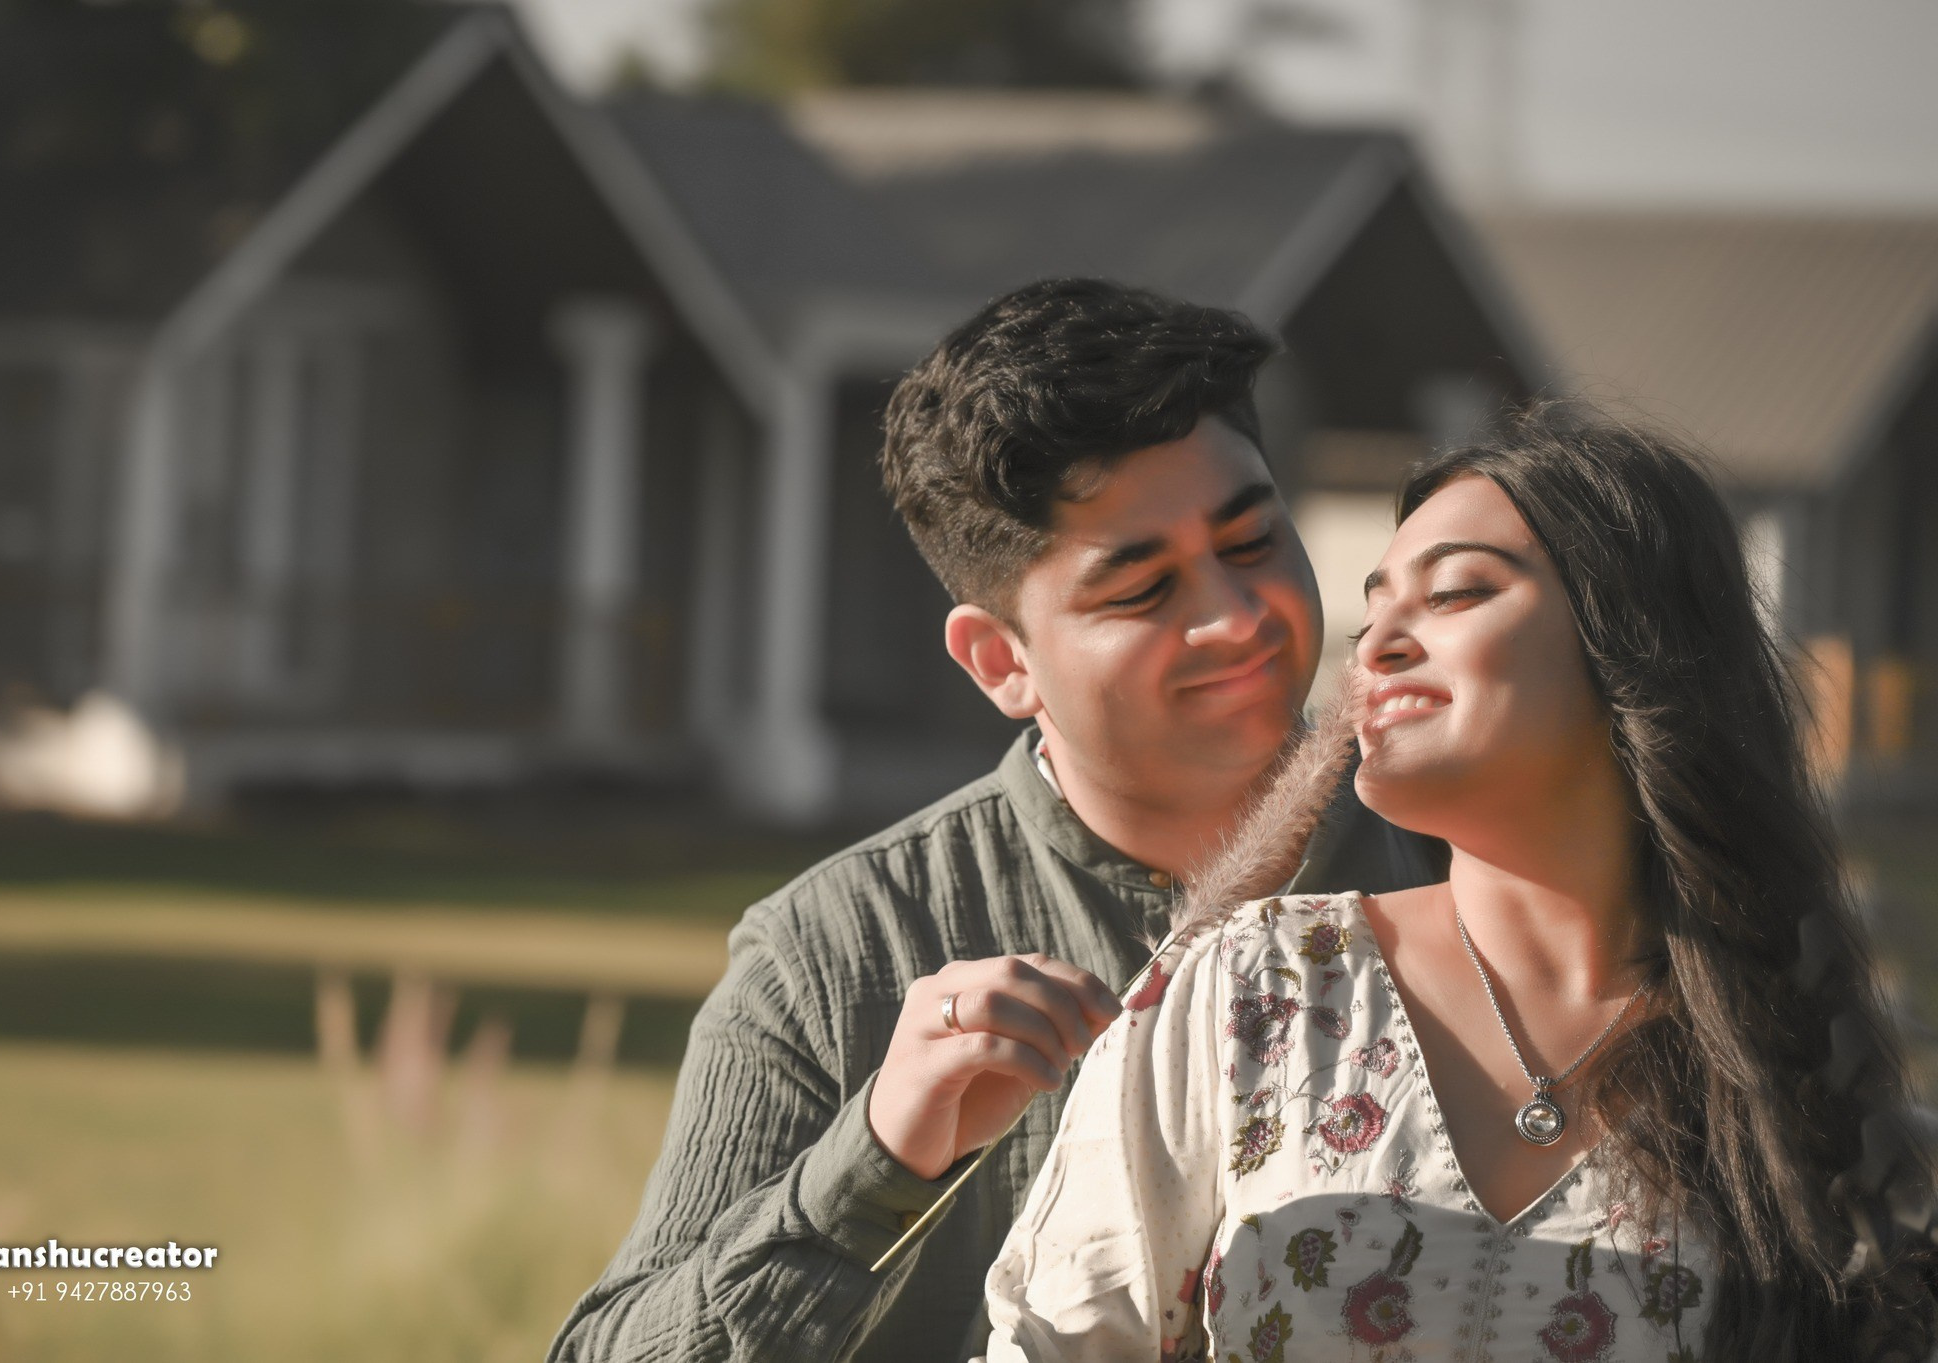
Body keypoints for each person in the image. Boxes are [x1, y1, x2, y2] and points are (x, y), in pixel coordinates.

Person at [550, 279, 1444, 1363]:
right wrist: (881, 1151)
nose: (1235, 614)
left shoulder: (1477, 862)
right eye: (1141, 590)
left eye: (1250, 540)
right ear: (999, 660)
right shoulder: (837, 959)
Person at [982, 410, 1938, 1362]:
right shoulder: (1256, 988)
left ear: (1632, 639)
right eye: (1376, 604)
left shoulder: (1791, 1076)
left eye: (1455, 593)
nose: (1379, 644)